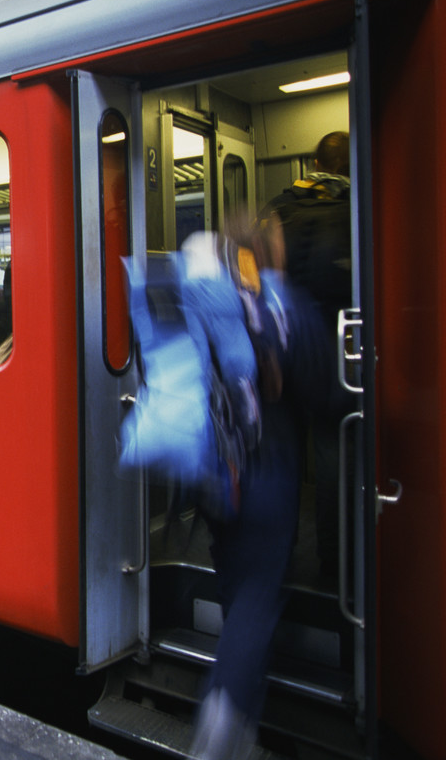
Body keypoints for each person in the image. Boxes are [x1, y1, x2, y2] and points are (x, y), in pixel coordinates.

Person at [190, 214, 322, 760]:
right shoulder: (286, 306)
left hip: (219, 471)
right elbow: (325, 392)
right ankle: (226, 712)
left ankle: (244, 720)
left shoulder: (209, 299)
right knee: (257, 596)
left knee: (233, 582)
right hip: (270, 472)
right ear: (270, 252)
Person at [260, 131, 351, 582]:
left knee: (283, 450)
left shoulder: (278, 206)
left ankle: (281, 549)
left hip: (284, 344)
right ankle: (334, 560)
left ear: (313, 162)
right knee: (333, 451)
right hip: (338, 348)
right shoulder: (360, 207)